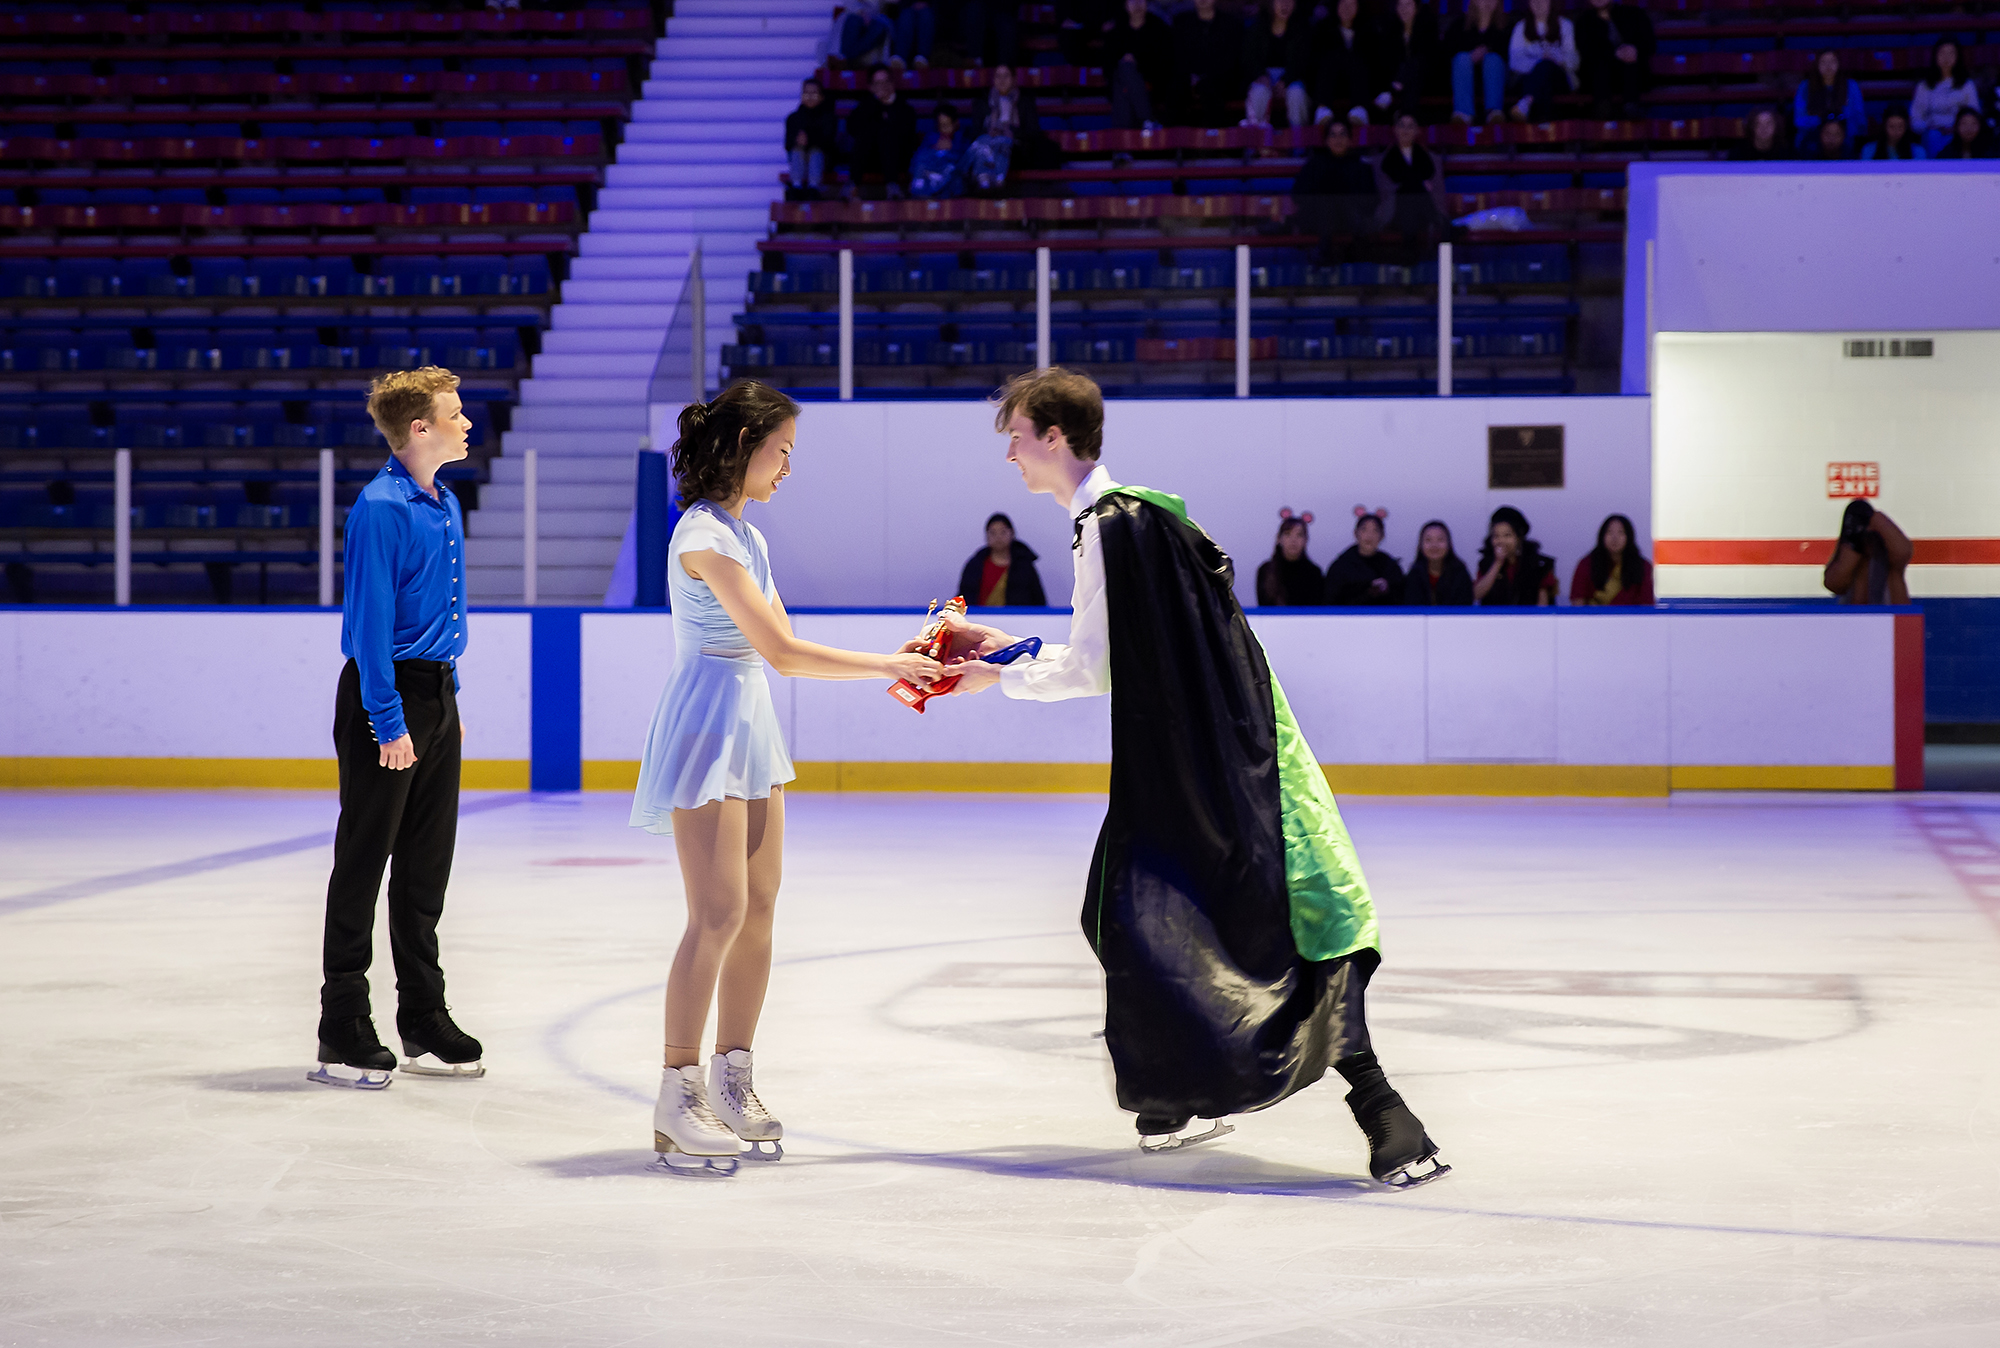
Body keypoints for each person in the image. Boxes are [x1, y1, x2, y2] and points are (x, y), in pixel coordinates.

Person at [940, 366, 1449, 1186]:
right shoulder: (1125, 518)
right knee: (1137, 914)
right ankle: (1171, 1100)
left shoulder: (1114, 525)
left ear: (1055, 437)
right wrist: (1004, 655)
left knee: (1260, 923)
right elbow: (1114, 657)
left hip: (1224, 770)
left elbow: (1098, 666)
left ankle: (1386, 1114)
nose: (1010, 453)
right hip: (1212, 757)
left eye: (1017, 435)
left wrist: (997, 670)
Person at [632, 380, 943, 1173]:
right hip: (707, 720)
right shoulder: (702, 535)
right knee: (718, 912)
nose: (789, 468)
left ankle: (734, 1076)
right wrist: (887, 662)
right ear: (744, 446)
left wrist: (900, 655)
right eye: (783, 451)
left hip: (748, 719)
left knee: (760, 905)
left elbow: (784, 649)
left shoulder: (748, 536)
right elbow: (782, 652)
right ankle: (678, 1091)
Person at [312, 366, 483, 1090]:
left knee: (424, 868)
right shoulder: (380, 508)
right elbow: (370, 627)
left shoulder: (444, 502)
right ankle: (344, 1018)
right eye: (455, 413)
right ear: (420, 428)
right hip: (385, 700)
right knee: (365, 858)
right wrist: (390, 720)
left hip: (434, 695)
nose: (466, 422)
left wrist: (448, 705)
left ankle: (423, 1013)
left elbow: (438, 622)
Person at [1292, 117, 1379, 263]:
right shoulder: (1315, 166)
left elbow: (1371, 202)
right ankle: (1325, 256)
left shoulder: (1361, 168)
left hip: (1352, 222)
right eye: (1333, 134)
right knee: (1327, 204)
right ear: (1326, 140)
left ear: (1350, 139)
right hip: (1318, 222)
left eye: (1342, 134)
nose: (1338, 139)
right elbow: (1298, 195)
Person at [1375, 112, 1446, 255]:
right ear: (1395, 130)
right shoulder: (1382, 160)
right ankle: (1442, 228)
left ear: (1417, 131)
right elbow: (1384, 191)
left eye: (1410, 126)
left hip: (1423, 212)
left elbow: (1437, 190)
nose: (1405, 130)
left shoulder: (1431, 159)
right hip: (1394, 211)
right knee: (1411, 188)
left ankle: (1409, 249)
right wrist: (1417, 183)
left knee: (1413, 191)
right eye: (1402, 126)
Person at [848, 64, 921, 196]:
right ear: (871, 87)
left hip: (897, 159)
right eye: (877, 83)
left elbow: (907, 136)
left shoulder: (904, 108)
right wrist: (875, 104)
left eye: (885, 81)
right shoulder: (866, 105)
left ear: (892, 83)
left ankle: (892, 187)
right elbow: (852, 128)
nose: (882, 86)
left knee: (886, 133)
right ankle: (853, 185)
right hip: (869, 159)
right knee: (867, 132)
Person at [1104, 0, 1176, 132]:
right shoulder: (1116, 32)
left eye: (1141, 0)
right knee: (1124, 75)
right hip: (1122, 84)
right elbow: (1108, 67)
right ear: (1125, 5)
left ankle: (1122, 148)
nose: (1137, 4)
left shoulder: (1160, 29)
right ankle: (1147, 119)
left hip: (1155, 84)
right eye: (1132, 1)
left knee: (1124, 79)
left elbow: (1165, 64)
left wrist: (1137, 64)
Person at [1823, 499, 1911, 605]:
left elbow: (1903, 552)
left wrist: (1873, 518)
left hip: (1890, 618)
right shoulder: (1850, 556)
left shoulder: (1892, 564)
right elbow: (1834, 584)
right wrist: (1854, 540)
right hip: (1858, 617)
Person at [1575, 0, 1654, 118]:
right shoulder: (1583, 21)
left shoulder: (1633, 14)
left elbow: (1649, 43)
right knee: (1600, 64)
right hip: (1598, 79)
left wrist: (1634, 50)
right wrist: (1614, 54)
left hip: (1631, 74)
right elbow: (1587, 52)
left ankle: (1631, 108)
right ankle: (1603, 111)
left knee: (1630, 62)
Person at [965, 63, 1038, 191]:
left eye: (1006, 76)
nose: (1001, 80)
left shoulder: (1025, 102)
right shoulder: (982, 103)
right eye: (998, 76)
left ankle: (994, 181)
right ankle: (984, 182)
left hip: (1015, 150)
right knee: (984, 144)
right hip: (988, 145)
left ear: (1014, 79)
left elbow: (1033, 132)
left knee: (1001, 143)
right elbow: (974, 132)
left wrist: (1010, 132)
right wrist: (989, 132)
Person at [1243, 0, 1314, 130]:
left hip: (1292, 77)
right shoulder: (1258, 28)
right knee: (1259, 91)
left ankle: (1299, 145)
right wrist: (1261, 75)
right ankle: (1255, 142)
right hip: (1264, 76)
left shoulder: (1303, 29)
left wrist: (1286, 80)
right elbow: (1249, 58)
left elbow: (1303, 61)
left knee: (1296, 93)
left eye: (1289, 1)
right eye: (1280, 1)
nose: (1285, 4)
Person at [1174, 0, 1245, 128]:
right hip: (1189, 78)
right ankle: (1175, 143)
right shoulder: (1182, 23)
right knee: (1176, 89)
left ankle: (1216, 140)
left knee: (1210, 89)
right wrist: (1192, 78)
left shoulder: (1230, 24)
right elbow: (1178, 57)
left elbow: (1231, 61)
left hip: (1221, 80)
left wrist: (1204, 78)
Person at [1508, 0, 1580, 124]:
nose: (1538, 4)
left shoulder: (1565, 25)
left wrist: (1555, 58)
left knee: (1546, 67)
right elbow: (1514, 62)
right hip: (1528, 80)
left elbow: (1574, 61)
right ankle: (1545, 130)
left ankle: (1526, 102)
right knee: (1543, 72)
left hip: (1560, 80)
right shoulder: (1521, 27)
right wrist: (1539, 61)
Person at [957, 511, 1048, 607]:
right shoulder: (975, 565)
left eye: (1003, 532)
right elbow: (964, 597)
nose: (998, 537)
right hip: (979, 619)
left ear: (1012, 534)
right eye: (993, 533)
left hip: (1017, 620)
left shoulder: (1024, 566)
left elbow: (1038, 600)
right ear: (987, 536)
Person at [1473, 504, 1557, 606]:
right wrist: (1498, 563)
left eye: (1507, 535)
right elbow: (1476, 595)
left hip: (1528, 620)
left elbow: (1542, 605)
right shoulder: (1485, 564)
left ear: (1518, 537)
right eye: (1496, 536)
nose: (1501, 541)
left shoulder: (1539, 565)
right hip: (1494, 620)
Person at [1369, 0, 1436, 122]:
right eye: (1401, 5)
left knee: (1416, 63)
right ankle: (1405, 118)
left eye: (1408, 5)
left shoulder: (1428, 28)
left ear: (1416, 8)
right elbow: (1385, 62)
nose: (1404, 9)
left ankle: (1393, 93)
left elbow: (1430, 59)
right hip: (1394, 79)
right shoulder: (1390, 30)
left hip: (1424, 80)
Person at [1444, 0, 1509, 125]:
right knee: (1462, 58)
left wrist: (1487, 50)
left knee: (1493, 59)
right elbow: (1448, 52)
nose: (1486, 2)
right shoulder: (1459, 26)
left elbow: (1508, 53)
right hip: (1465, 77)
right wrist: (1471, 56)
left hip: (1497, 77)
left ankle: (1493, 112)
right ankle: (1463, 113)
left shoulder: (1507, 26)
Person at [1911, 39, 1980, 157]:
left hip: (1960, 135)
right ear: (1935, 56)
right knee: (1933, 136)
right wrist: (1929, 126)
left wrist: (1958, 129)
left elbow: (1975, 115)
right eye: (1942, 53)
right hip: (1932, 133)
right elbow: (1915, 119)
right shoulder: (1924, 86)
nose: (1946, 57)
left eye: (1951, 53)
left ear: (1958, 56)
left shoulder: (1967, 85)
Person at [1568, 513, 1653, 606]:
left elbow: (1647, 604)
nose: (1614, 538)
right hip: (1594, 619)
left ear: (1629, 537)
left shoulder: (1643, 566)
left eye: (1621, 532)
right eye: (1609, 532)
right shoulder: (1586, 564)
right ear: (1602, 536)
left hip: (1631, 619)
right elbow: (1578, 602)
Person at [1312, 0, 1374, 127]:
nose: (1347, 8)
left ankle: (1359, 110)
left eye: (1351, 4)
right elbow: (1315, 63)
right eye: (1343, 4)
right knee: (1331, 57)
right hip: (1330, 85)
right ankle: (1323, 110)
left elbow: (1374, 63)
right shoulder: (1323, 29)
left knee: (1357, 59)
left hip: (1360, 87)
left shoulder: (1368, 30)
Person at [1325, 509, 1406, 606]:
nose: (1369, 535)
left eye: (1375, 530)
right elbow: (1330, 601)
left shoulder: (1391, 567)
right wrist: (1367, 593)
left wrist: (1386, 590)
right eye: (1364, 529)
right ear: (1356, 533)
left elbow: (1401, 600)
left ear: (1382, 536)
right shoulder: (1340, 567)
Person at [1793, 50, 1866, 150]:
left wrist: (1837, 128)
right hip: (1812, 137)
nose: (1828, 65)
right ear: (1817, 64)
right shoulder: (1805, 87)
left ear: (1839, 64)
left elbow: (1859, 119)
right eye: (1823, 62)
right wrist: (1821, 121)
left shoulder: (1851, 86)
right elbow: (1799, 119)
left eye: (1832, 61)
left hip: (1845, 138)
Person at [1255, 510, 1324, 606]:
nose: (1293, 540)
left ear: (1305, 540)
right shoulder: (1266, 571)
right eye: (1288, 534)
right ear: (1279, 539)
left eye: (1299, 535)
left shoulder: (1314, 573)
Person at [784, 78, 837, 198]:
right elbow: (787, 144)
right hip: (800, 156)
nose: (810, 96)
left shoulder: (829, 117)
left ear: (821, 96)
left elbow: (829, 142)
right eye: (807, 93)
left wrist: (810, 140)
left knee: (815, 152)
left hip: (823, 158)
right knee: (797, 151)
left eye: (814, 93)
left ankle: (814, 189)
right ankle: (796, 187)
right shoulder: (793, 118)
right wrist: (798, 141)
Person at [1403, 519, 1475, 605]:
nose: (1434, 545)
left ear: (1449, 544)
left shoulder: (1459, 572)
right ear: (1420, 546)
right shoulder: (1415, 573)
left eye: (1440, 540)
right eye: (1428, 540)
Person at [909, 105, 968, 198]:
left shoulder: (963, 139)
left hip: (951, 181)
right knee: (922, 163)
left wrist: (951, 150)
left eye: (946, 125)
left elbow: (965, 164)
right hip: (930, 176)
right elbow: (915, 162)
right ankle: (920, 195)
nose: (943, 129)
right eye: (941, 125)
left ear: (955, 123)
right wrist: (935, 149)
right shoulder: (931, 139)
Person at [838, 0, 893, 65]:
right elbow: (849, 3)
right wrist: (861, 12)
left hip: (875, 19)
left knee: (879, 28)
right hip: (853, 15)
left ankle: (848, 58)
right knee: (853, 22)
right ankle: (847, 58)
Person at [886, 0, 936, 70]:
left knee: (926, 15)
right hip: (907, 8)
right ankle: (900, 58)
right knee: (906, 16)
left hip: (931, 9)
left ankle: (922, 58)